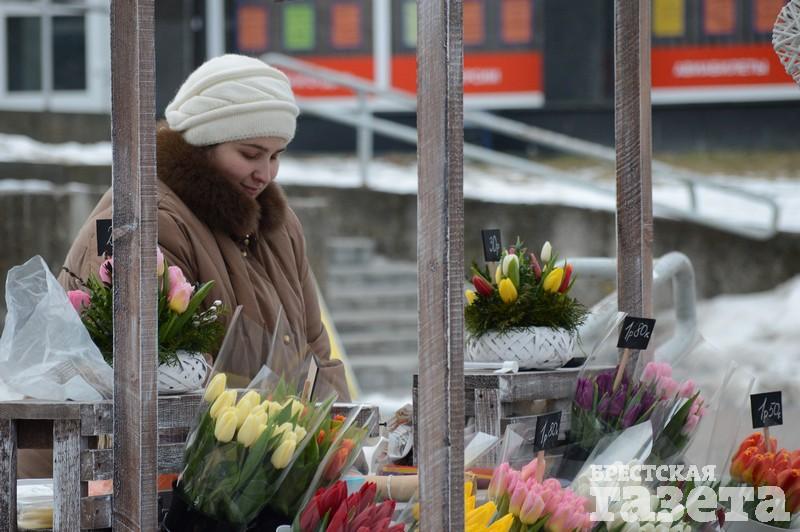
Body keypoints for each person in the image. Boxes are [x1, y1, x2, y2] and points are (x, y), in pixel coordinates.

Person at [19, 55, 348, 477]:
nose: (265, 173)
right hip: (97, 483)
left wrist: (337, 457)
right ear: (203, 145)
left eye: (275, 155)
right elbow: (157, 377)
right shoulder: (142, 219)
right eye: (250, 154)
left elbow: (314, 350)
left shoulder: (278, 228)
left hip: (245, 475)